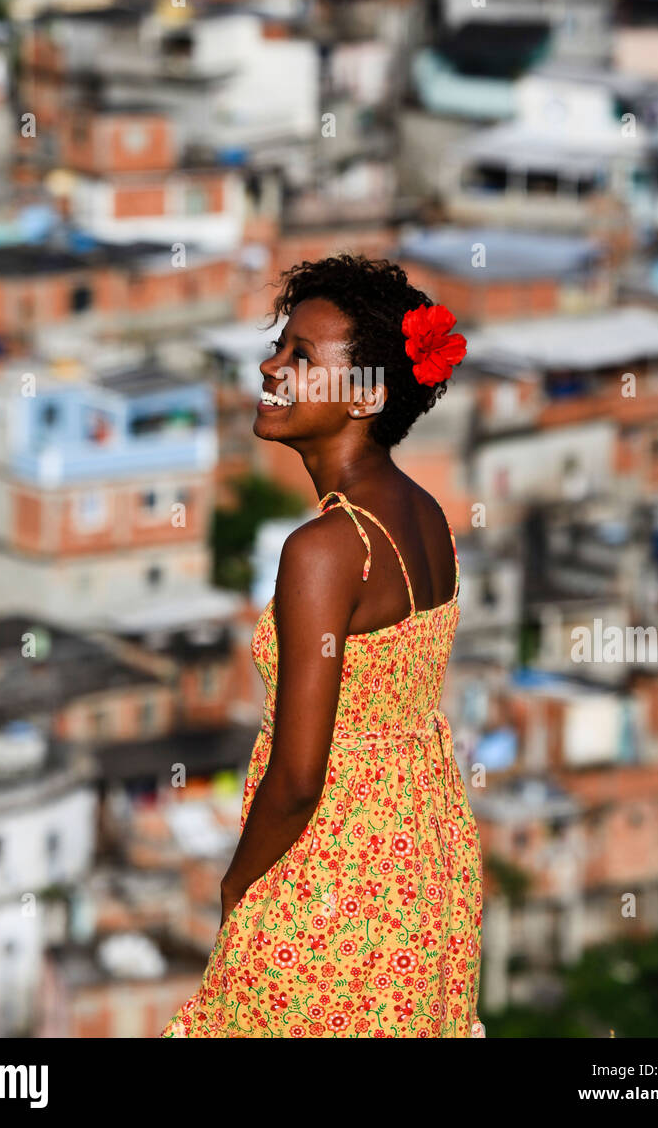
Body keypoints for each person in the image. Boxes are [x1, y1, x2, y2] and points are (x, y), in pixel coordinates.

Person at [161, 255, 485, 1038]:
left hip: (329, 883)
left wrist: (239, 886)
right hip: (425, 870)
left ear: (367, 395)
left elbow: (301, 776)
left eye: (303, 357)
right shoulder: (425, 516)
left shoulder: (325, 550)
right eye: (280, 346)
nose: (271, 367)